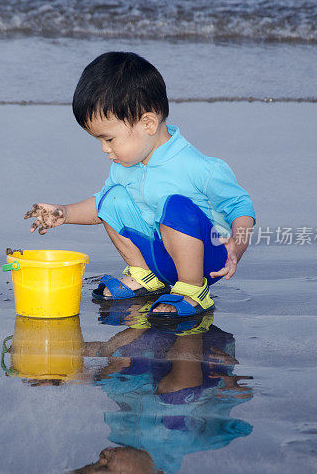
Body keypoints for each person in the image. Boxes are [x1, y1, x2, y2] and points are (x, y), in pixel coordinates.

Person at [24, 52, 256, 321]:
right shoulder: (124, 167)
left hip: (207, 260)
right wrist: (63, 213)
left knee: (175, 206)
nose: (104, 149)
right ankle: (144, 275)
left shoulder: (198, 166)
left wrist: (237, 247)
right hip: (160, 255)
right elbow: (102, 207)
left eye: (109, 139)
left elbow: (240, 207)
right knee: (113, 197)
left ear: (148, 123)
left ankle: (193, 292)